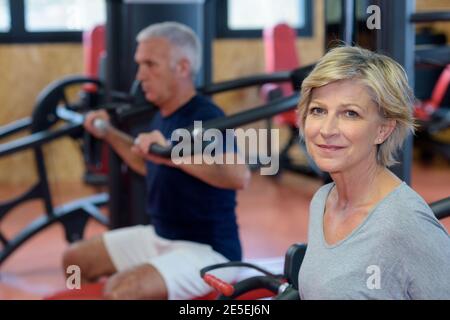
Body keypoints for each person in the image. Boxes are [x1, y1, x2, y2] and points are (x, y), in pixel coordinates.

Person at [62, 22, 251, 300]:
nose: (140, 76)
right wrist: (107, 132)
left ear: (183, 68)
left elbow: (238, 176)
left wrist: (172, 154)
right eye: (140, 64)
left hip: (208, 251)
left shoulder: (205, 116)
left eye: (150, 64)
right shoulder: (163, 113)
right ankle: (75, 296)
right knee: (74, 261)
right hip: (159, 236)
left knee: (119, 292)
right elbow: (147, 163)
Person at [296, 46, 450, 299]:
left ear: (383, 130)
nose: (327, 129)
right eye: (318, 110)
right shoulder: (323, 200)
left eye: (350, 113)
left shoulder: (405, 223)